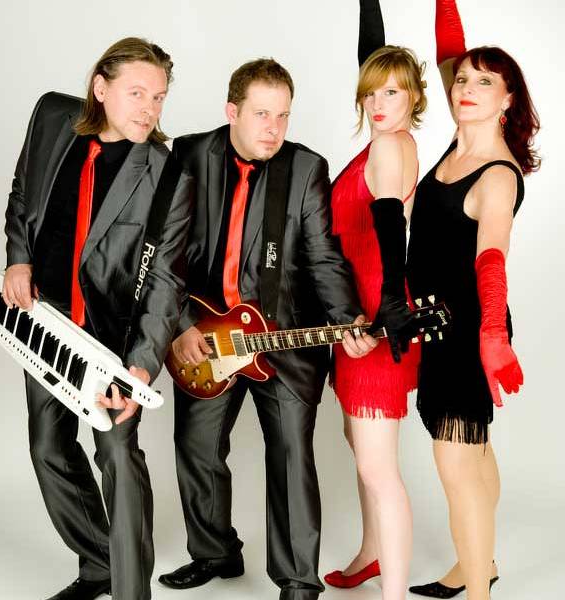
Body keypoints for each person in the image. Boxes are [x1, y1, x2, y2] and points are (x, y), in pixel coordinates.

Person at [157, 58, 375, 600]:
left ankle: (298, 580)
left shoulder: (305, 168)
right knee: (197, 447)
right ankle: (215, 552)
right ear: (231, 111)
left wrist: (347, 317)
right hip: (205, 334)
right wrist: (180, 324)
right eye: (261, 114)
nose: (274, 129)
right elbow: (166, 252)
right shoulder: (189, 154)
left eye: (283, 116)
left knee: (291, 458)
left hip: (284, 340)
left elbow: (324, 257)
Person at [2, 37, 194, 600]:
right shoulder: (51, 119)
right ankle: (100, 564)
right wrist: (19, 257)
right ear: (100, 88)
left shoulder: (168, 174)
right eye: (137, 94)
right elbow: (23, 193)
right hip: (45, 319)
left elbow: (166, 283)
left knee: (115, 453)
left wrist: (140, 368)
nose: (149, 110)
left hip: (115, 337)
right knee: (48, 448)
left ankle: (132, 592)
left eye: (158, 97)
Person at [406, 1, 540, 598]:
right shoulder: (460, 139)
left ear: (507, 99)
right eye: (462, 79)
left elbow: (491, 261)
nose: (466, 88)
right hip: (436, 324)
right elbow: (448, 51)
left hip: (468, 332)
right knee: (475, 453)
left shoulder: (497, 174)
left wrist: (493, 337)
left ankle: (479, 590)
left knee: (457, 465)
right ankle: (476, 564)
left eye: (486, 83)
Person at [323, 1, 426, 598]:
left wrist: (388, 303)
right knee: (358, 444)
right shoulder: (390, 137)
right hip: (357, 311)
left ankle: (394, 593)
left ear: (414, 96)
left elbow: (390, 226)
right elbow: (376, 56)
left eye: (392, 92)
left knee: (377, 468)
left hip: (376, 317)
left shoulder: (388, 148)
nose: (378, 102)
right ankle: (371, 553)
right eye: (370, 93)